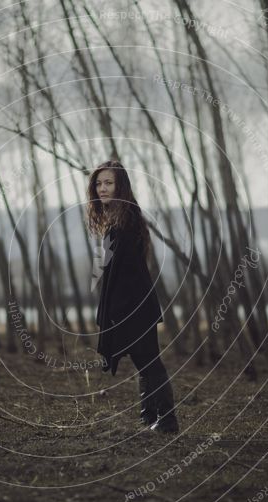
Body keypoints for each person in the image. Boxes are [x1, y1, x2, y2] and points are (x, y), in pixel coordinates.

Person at [86, 160, 179, 433]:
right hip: (133, 306)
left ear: (121, 186)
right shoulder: (118, 218)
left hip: (135, 306)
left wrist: (119, 309)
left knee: (149, 361)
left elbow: (129, 274)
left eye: (109, 183)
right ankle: (149, 416)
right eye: (99, 183)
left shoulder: (126, 219)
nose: (102, 188)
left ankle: (168, 419)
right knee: (144, 361)